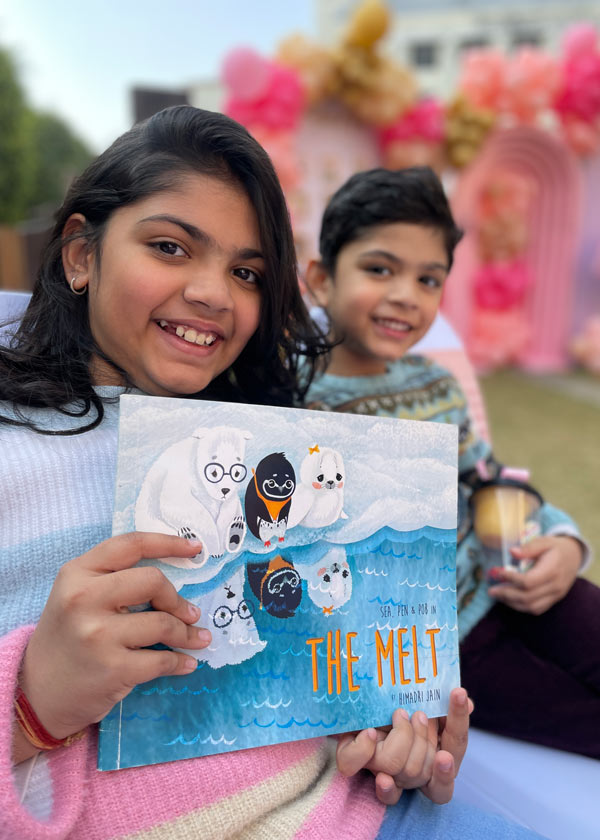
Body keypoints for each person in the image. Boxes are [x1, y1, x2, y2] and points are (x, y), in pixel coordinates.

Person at [0, 107, 543, 840]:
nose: (214, 293)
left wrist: (389, 730)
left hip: (361, 813)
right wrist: (31, 705)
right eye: (169, 246)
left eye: (246, 272)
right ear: (80, 254)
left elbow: (320, 665)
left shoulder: (269, 440)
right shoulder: (17, 448)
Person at [304, 166, 600, 759]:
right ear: (321, 280)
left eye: (428, 279)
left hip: (512, 581)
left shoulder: (435, 385)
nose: (406, 295)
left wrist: (565, 542)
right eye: (379, 269)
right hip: (447, 647)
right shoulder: (289, 405)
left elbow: (488, 478)